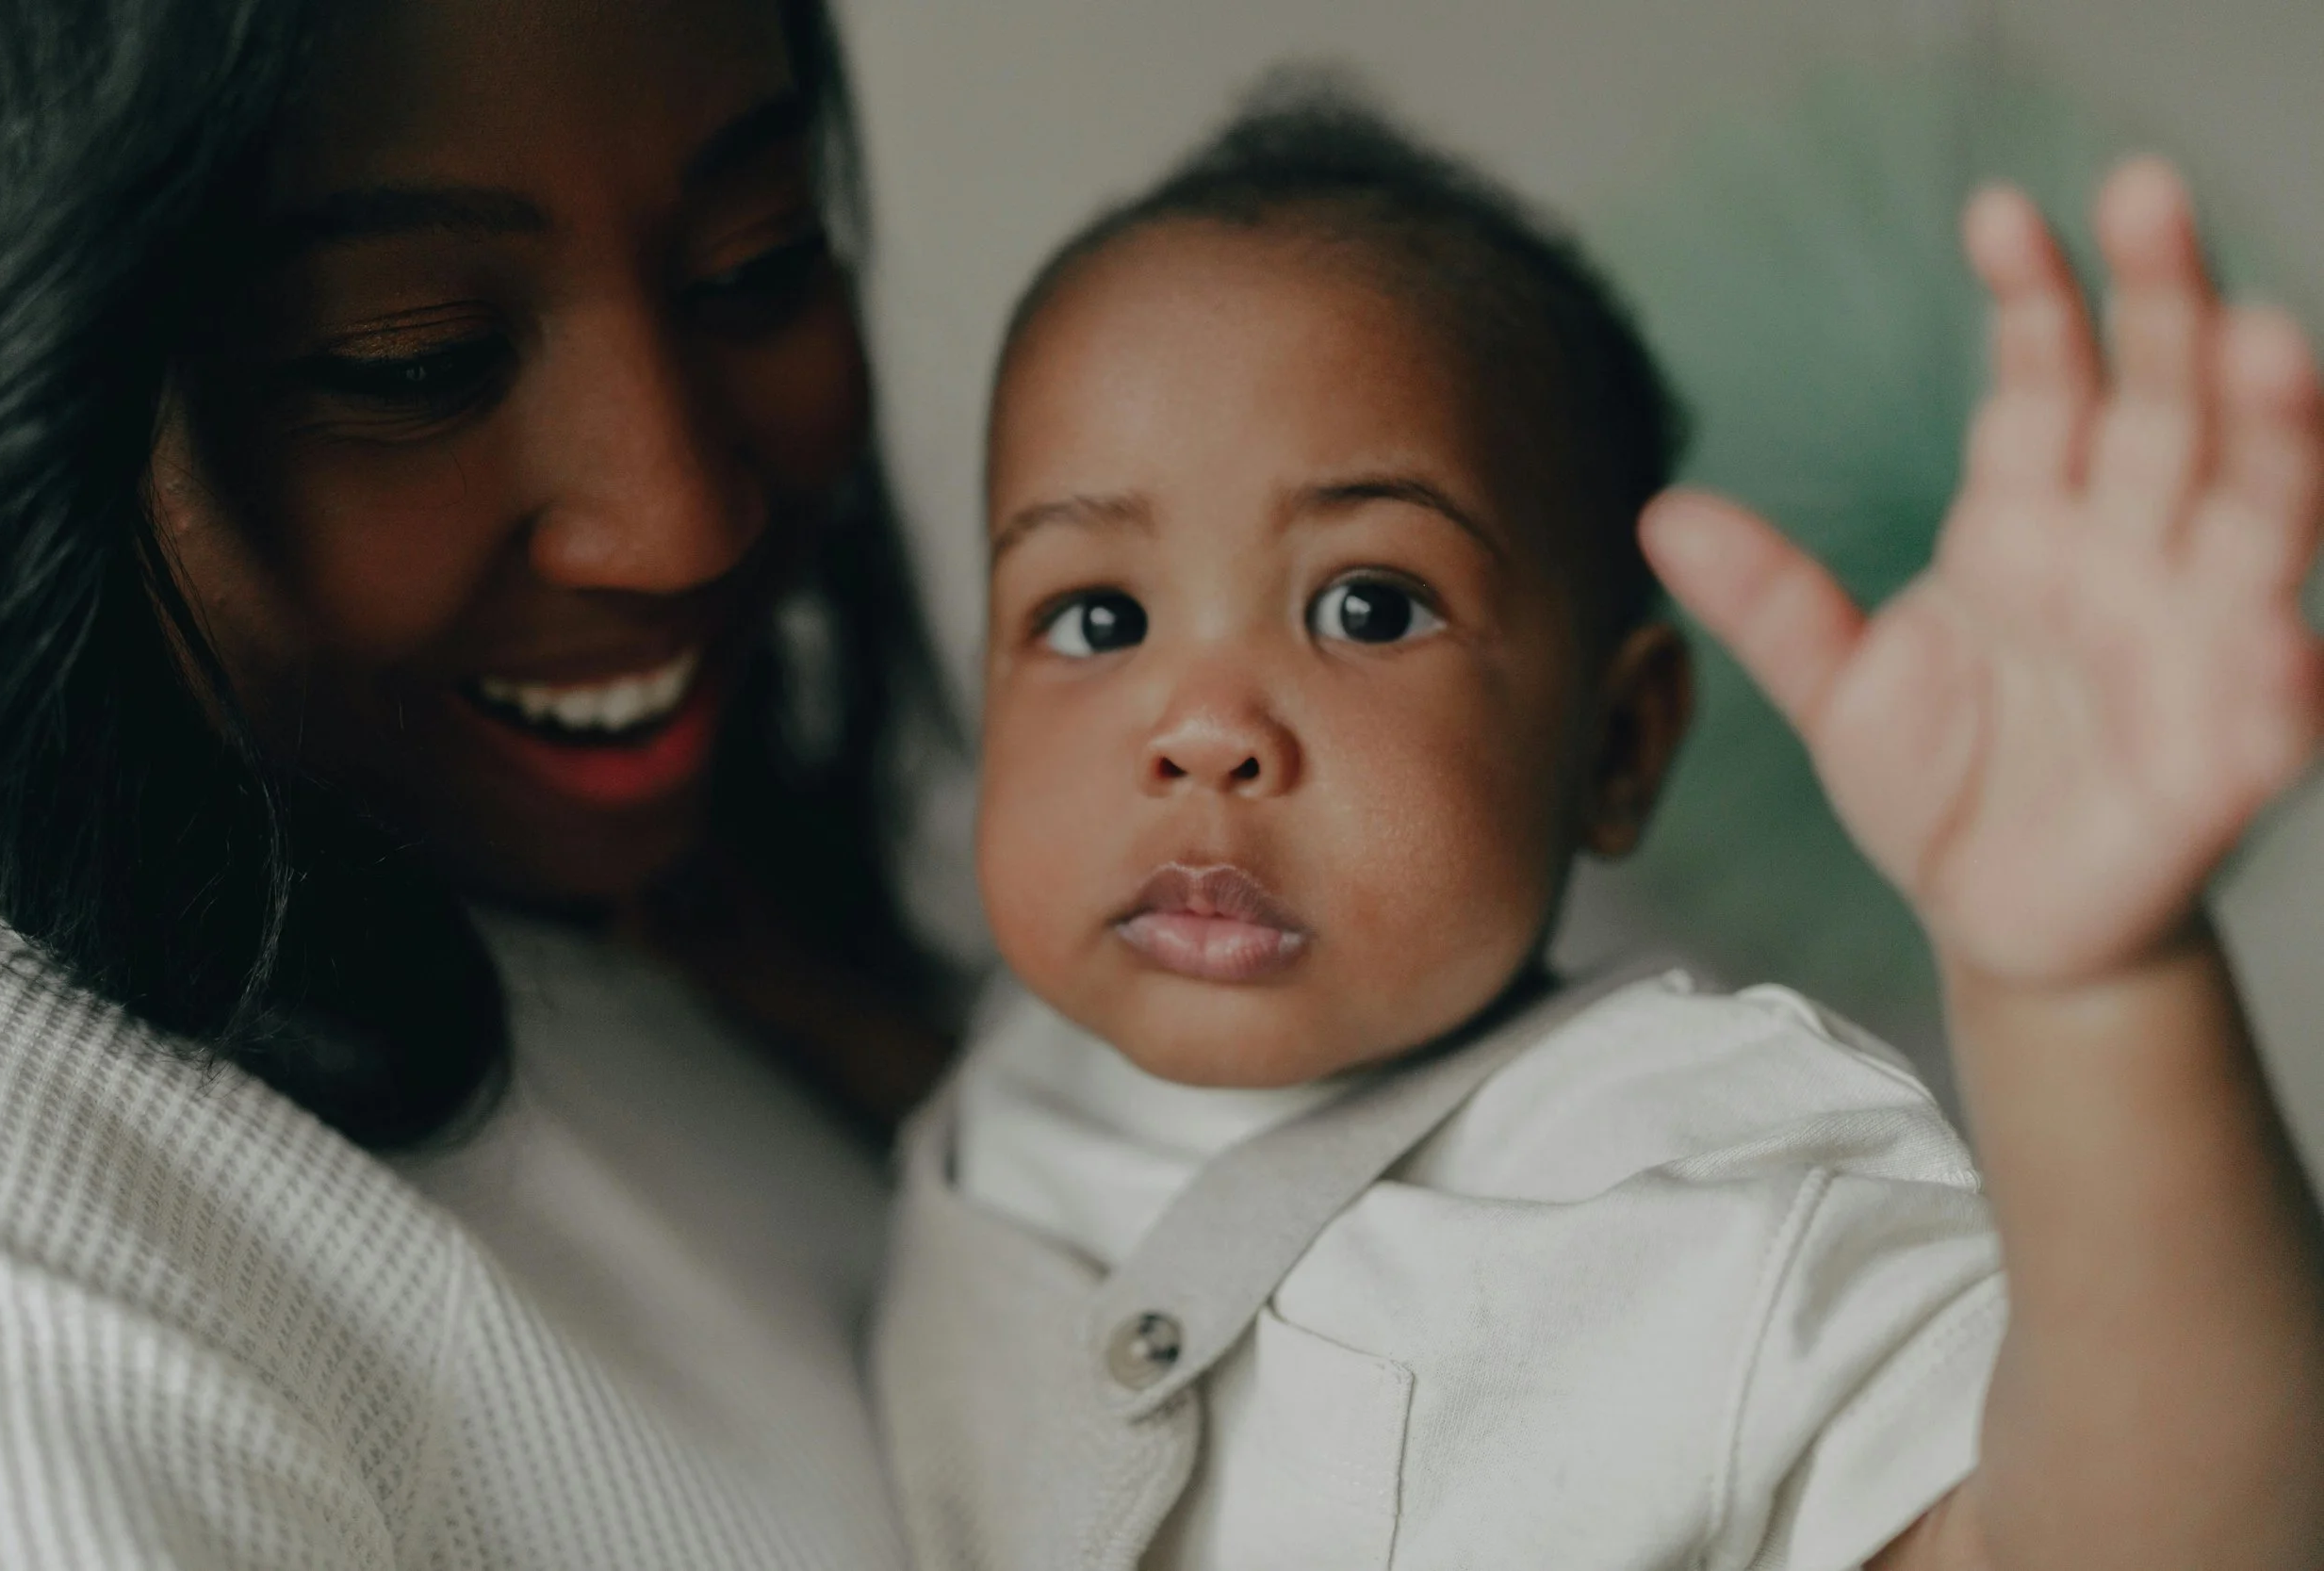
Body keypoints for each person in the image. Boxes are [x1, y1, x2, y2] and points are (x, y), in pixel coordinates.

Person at [871, 88, 2324, 1571]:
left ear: (1619, 746)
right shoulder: (990, 1075)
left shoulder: (1707, 1183)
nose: (1200, 725)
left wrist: (2096, 989)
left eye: (1368, 605)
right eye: (1095, 615)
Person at [0, 0, 953, 1563]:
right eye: (412, 358)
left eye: (758, 261)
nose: (682, 518)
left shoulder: (695, 925)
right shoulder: (34, 1286)